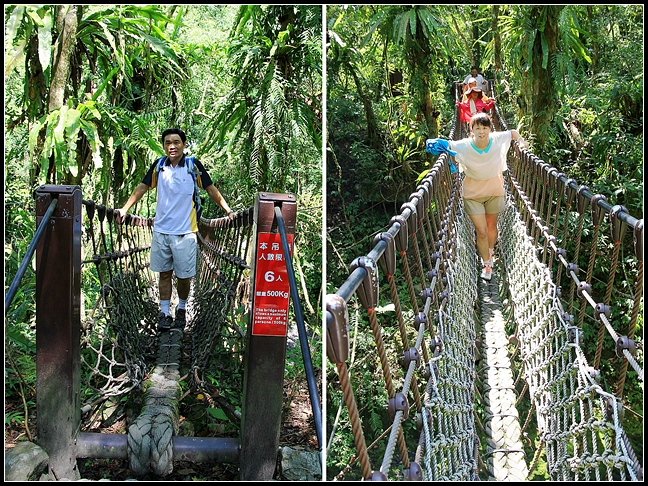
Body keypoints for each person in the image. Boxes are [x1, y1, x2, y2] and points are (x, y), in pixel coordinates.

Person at [115, 128, 237, 332]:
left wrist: (229, 211)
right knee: (164, 274)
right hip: (162, 231)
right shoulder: (159, 167)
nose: (172, 146)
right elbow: (142, 187)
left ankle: (181, 309)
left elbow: (210, 188)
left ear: (184, 144)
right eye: (168, 143)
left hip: (186, 232)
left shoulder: (192, 166)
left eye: (176, 142)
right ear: (163, 146)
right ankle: (164, 313)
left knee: (184, 277)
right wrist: (125, 209)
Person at [426, 113, 527, 281]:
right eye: (477, 128)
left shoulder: (497, 139)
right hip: (473, 195)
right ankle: (487, 263)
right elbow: (445, 144)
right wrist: (435, 144)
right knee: (481, 231)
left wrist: (521, 142)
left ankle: (490, 251)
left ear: (489, 128)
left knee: (491, 226)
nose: (481, 131)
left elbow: (513, 133)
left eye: (484, 128)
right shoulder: (464, 145)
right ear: (471, 129)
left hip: (495, 190)